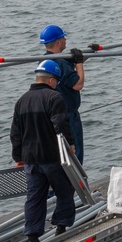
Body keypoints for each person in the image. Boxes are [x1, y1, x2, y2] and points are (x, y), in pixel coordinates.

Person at [10, 60, 76, 242]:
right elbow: (61, 124)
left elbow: (15, 133)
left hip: (31, 160)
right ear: (51, 80)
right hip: (52, 157)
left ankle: (32, 235)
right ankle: (61, 226)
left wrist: (18, 157)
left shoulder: (21, 101)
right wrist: (70, 144)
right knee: (65, 190)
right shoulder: (54, 98)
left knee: (34, 197)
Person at [40, 25, 86, 163]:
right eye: (63, 37)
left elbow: (66, 72)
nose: (66, 40)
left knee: (61, 154)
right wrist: (79, 64)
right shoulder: (60, 62)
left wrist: (79, 59)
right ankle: (77, 183)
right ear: (58, 42)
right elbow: (78, 84)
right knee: (75, 153)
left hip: (52, 113)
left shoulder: (44, 60)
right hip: (69, 114)